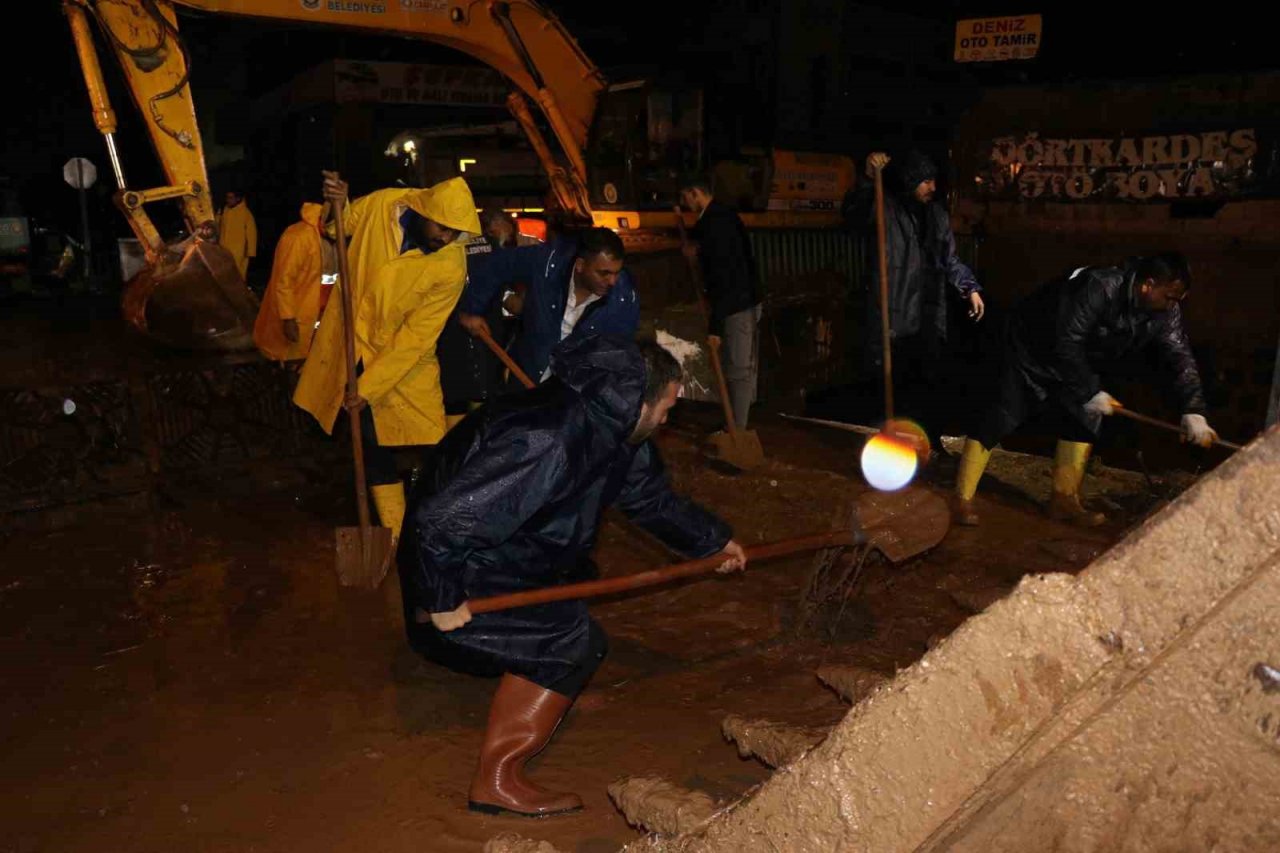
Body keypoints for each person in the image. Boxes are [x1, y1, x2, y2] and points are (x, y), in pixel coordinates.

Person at [399, 334, 746, 817]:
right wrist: (441, 596)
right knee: (571, 644)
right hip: (453, 570)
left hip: (509, 556)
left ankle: (538, 690)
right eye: (667, 407)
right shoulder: (551, 438)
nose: (669, 419)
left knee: (574, 608)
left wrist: (713, 541)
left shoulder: (615, 428)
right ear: (640, 399)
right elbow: (442, 522)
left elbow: (650, 499)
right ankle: (496, 781)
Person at [952, 251, 1219, 526]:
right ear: (1147, 284)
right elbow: (1066, 340)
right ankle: (962, 498)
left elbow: (1181, 358)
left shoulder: (1164, 312)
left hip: (1076, 360)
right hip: (1030, 349)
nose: (1172, 305)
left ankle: (1064, 500)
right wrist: (1089, 390)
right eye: (1170, 296)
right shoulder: (1100, 286)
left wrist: (1194, 410)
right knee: (1001, 414)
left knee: (1083, 421)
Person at [293, 175, 481, 547]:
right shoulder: (383, 204)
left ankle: (442, 524)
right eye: (442, 228)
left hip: (403, 358)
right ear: (423, 209)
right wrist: (341, 203)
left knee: (429, 444)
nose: (446, 238)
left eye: (455, 232)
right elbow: (337, 227)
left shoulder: (452, 265)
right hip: (350, 342)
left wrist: (367, 388)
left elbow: (415, 339)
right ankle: (395, 535)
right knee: (369, 441)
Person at [841, 151, 985, 436]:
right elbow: (853, 213)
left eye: (933, 180)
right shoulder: (885, 209)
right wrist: (869, 180)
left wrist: (970, 288)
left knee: (928, 384)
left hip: (929, 317)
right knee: (889, 387)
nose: (932, 187)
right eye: (925, 181)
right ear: (909, 181)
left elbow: (949, 259)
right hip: (894, 316)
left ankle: (928, 441)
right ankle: (886, 441)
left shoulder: (937, 216)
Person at [457, 227, 639, 383]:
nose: (612, 281)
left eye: (617, 272)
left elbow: (618, 357)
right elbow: (495, 264)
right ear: (581, 265)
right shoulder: (546, 262)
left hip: (572, 394)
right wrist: (472, 309)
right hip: (525, 376)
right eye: (604, 273)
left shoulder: (623, 299)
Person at [677, 174, 762, 429]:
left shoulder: (717, 223)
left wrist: (715, 326)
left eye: (686, 197)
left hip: (737, 304)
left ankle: (738, 430)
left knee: (738, 369)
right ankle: (735, 424)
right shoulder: (716, 219)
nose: (685, 204)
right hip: (737, 301)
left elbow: (724, 275)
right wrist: (697, 249)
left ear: (695, 192)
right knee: (737, 368)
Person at [252, 200, 336, 362]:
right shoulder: (298, 237)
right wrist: (288, 318)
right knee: (292, 358)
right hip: (299, 313)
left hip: (321, 312)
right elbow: (284, 280)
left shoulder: (333, 238)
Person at [216, 189, 258, 280]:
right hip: (223, 248)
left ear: (238, 199)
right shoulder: (224, 210)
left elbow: (251, 233)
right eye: (227, 197)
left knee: (237, 273)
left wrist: (251, 251)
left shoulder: (245, 213)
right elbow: (217, 226)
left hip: (239, 251)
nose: (228, 200)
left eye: (231, 198)